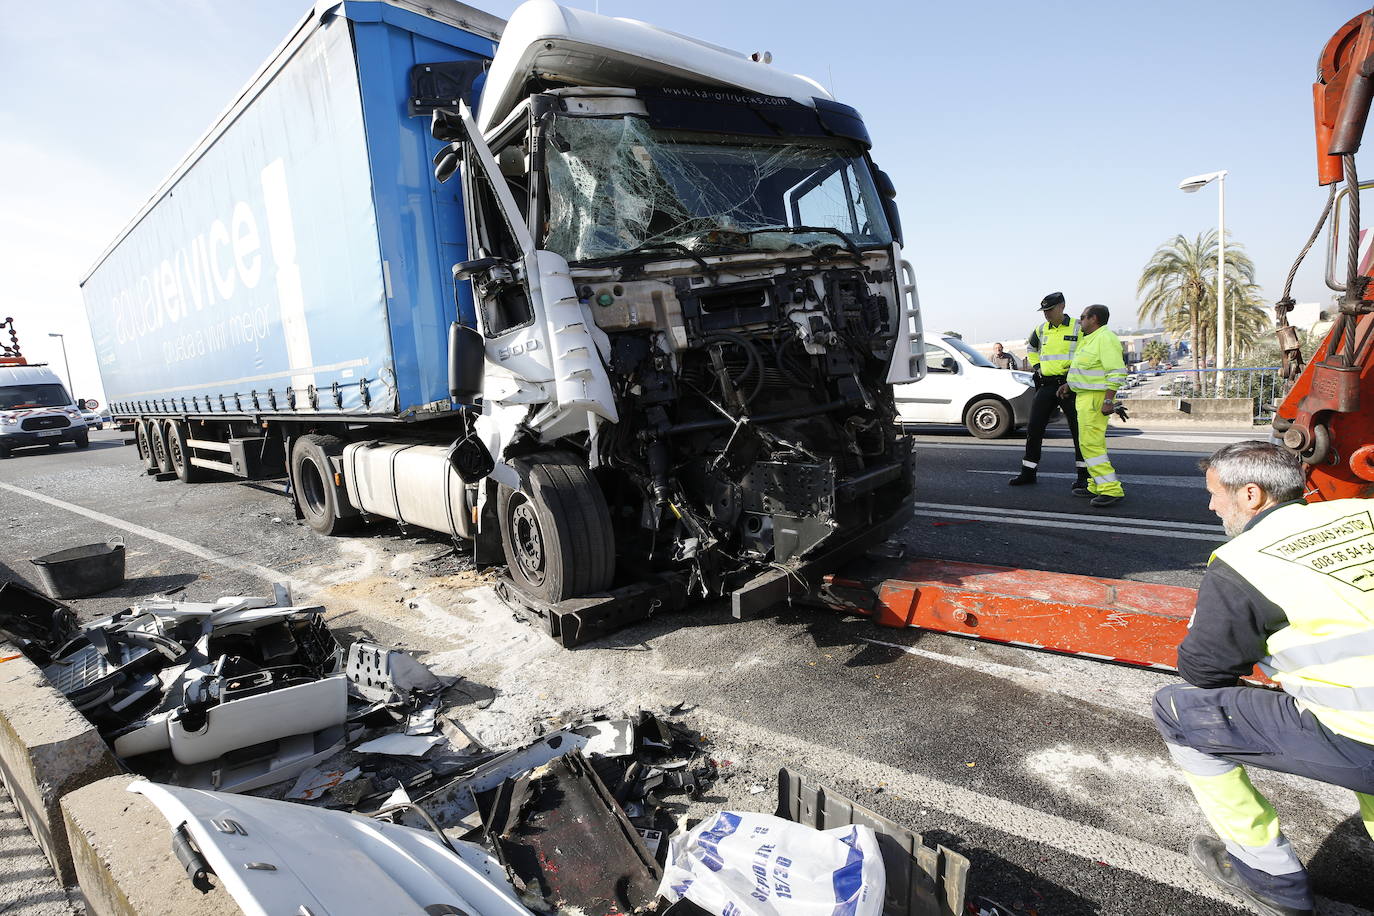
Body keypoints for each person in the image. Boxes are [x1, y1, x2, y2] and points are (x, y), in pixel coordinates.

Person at [1153, 441, 1374, 916]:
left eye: (1215, 494)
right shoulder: (1365, 514)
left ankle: (1268, 876)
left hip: (1365, 739)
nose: (1211, 505)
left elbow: (1204, 670)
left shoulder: (1245, 562)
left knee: (1178, 711)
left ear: (1251, 495)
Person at [1008, 292, 1087, 489]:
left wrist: (1074, 373)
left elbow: (1088, 353)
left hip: (1070, 385)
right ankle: (1028, 472)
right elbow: (1031, 349)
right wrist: (1037, 368)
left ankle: (1083, 476)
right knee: (1034, 429)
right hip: (1046, 384)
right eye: (1044, 311)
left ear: (1062, 306)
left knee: (1079, 432)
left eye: (1050, 310)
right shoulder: (1041, 329)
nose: (1046, 314)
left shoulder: (1079, 327)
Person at [1058, 303, 1125, 507]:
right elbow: (1087, 370)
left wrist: (1107, 400)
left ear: (1094, 318)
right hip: (1085, 397)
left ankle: (1110, 489)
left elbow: (1116, 372)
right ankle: (1096, 484)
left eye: (1083, 317)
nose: (1080, 320)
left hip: (1096, 398)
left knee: (1091, 444)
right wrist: (1069, 385)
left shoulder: (1105, 338)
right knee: (1088, 443)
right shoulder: (1090, 340)